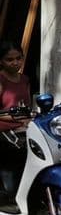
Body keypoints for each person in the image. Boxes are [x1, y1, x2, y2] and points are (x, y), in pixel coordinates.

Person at [0, 41, 32, 199]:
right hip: (4, 129)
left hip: (23, 127)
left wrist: (28, 118)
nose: (15, 62)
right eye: (9, 59)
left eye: (18, 58)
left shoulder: (25, 79)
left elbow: (27, 106)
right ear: (1, 61)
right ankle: (10, 194)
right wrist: (16, 118)